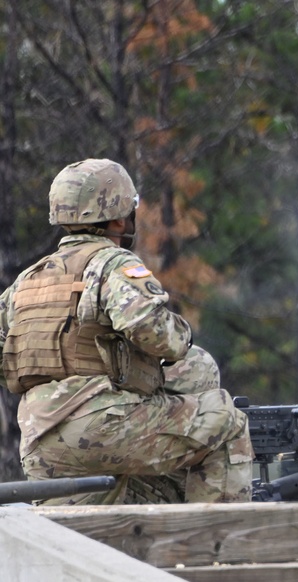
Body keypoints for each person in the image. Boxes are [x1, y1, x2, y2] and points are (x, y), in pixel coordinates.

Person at [0, 158, 252, 504]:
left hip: (41, 443)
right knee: (227, 421)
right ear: (120, 216)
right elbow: (155, 334)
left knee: (82, 542)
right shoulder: (111, 263)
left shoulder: (27, 282)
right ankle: (220, 547)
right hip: (104, 430)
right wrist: (181, 333)